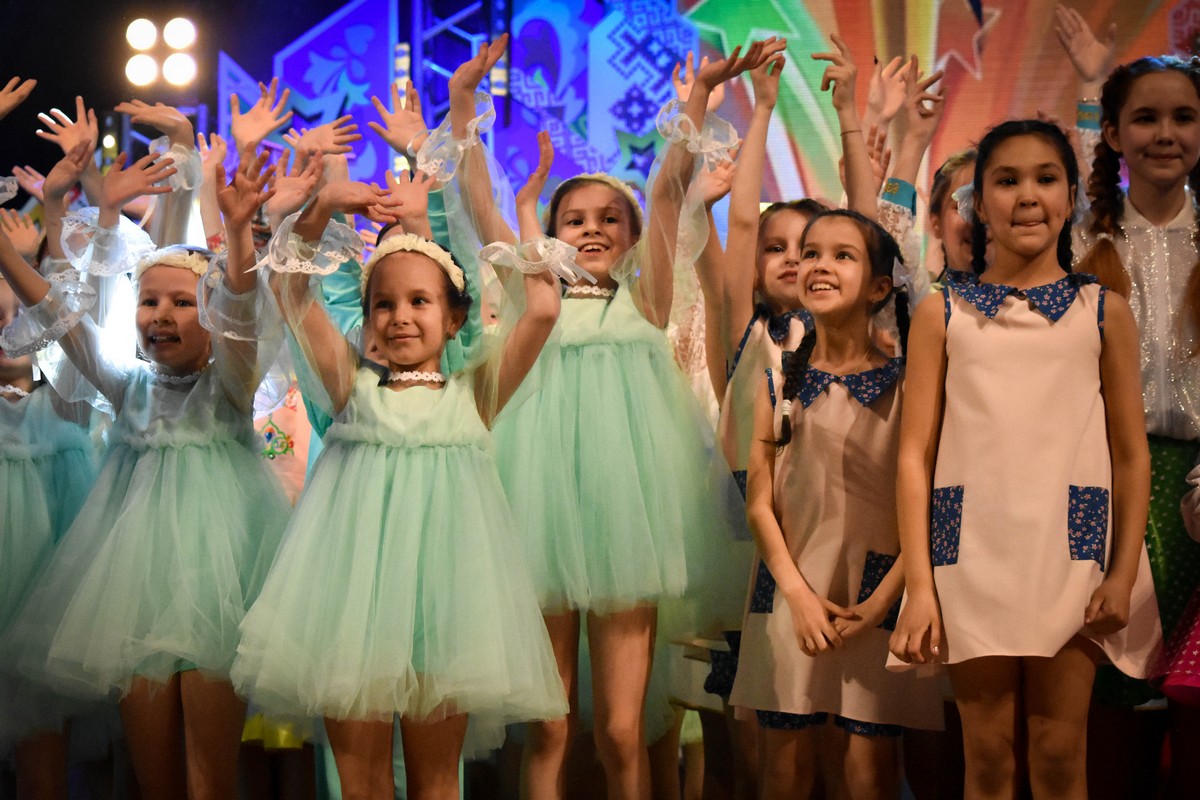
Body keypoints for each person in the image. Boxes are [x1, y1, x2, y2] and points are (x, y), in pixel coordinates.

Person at [230, 154, 570, 800]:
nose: (401, 316)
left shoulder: (474, 396)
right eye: (383, 304)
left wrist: (509, 214)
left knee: (437, 781)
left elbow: (544, 309)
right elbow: (289, 288)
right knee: (360, 782)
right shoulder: (349, 386)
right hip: (350, 608)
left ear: (454, 318)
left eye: (420, 301)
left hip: (447, 610)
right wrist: (324, 204)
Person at [0, 142, 290, 800]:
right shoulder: (126, 384)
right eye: (149, 301)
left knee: (210, 781)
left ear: (210, 315)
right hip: (134, 595)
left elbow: (243, 316)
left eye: (182, 303)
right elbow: (57, 311)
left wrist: (236, 234)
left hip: (219, 593)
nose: (161, 315)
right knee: (155, 782)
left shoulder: (230, 388)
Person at [889, 119, 1162, 798]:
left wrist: (1123, 571)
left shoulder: (1104, 311)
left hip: (1072, 552)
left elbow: (1132, 456)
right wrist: (920, 586)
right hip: (970, 553)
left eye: (1046, 178)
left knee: (1061, 750)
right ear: (978, 203)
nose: (1028, 196)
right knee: (986, 756)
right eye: (1007, 181)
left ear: (1071, 196)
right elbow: (914, 455)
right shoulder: (941, 313)